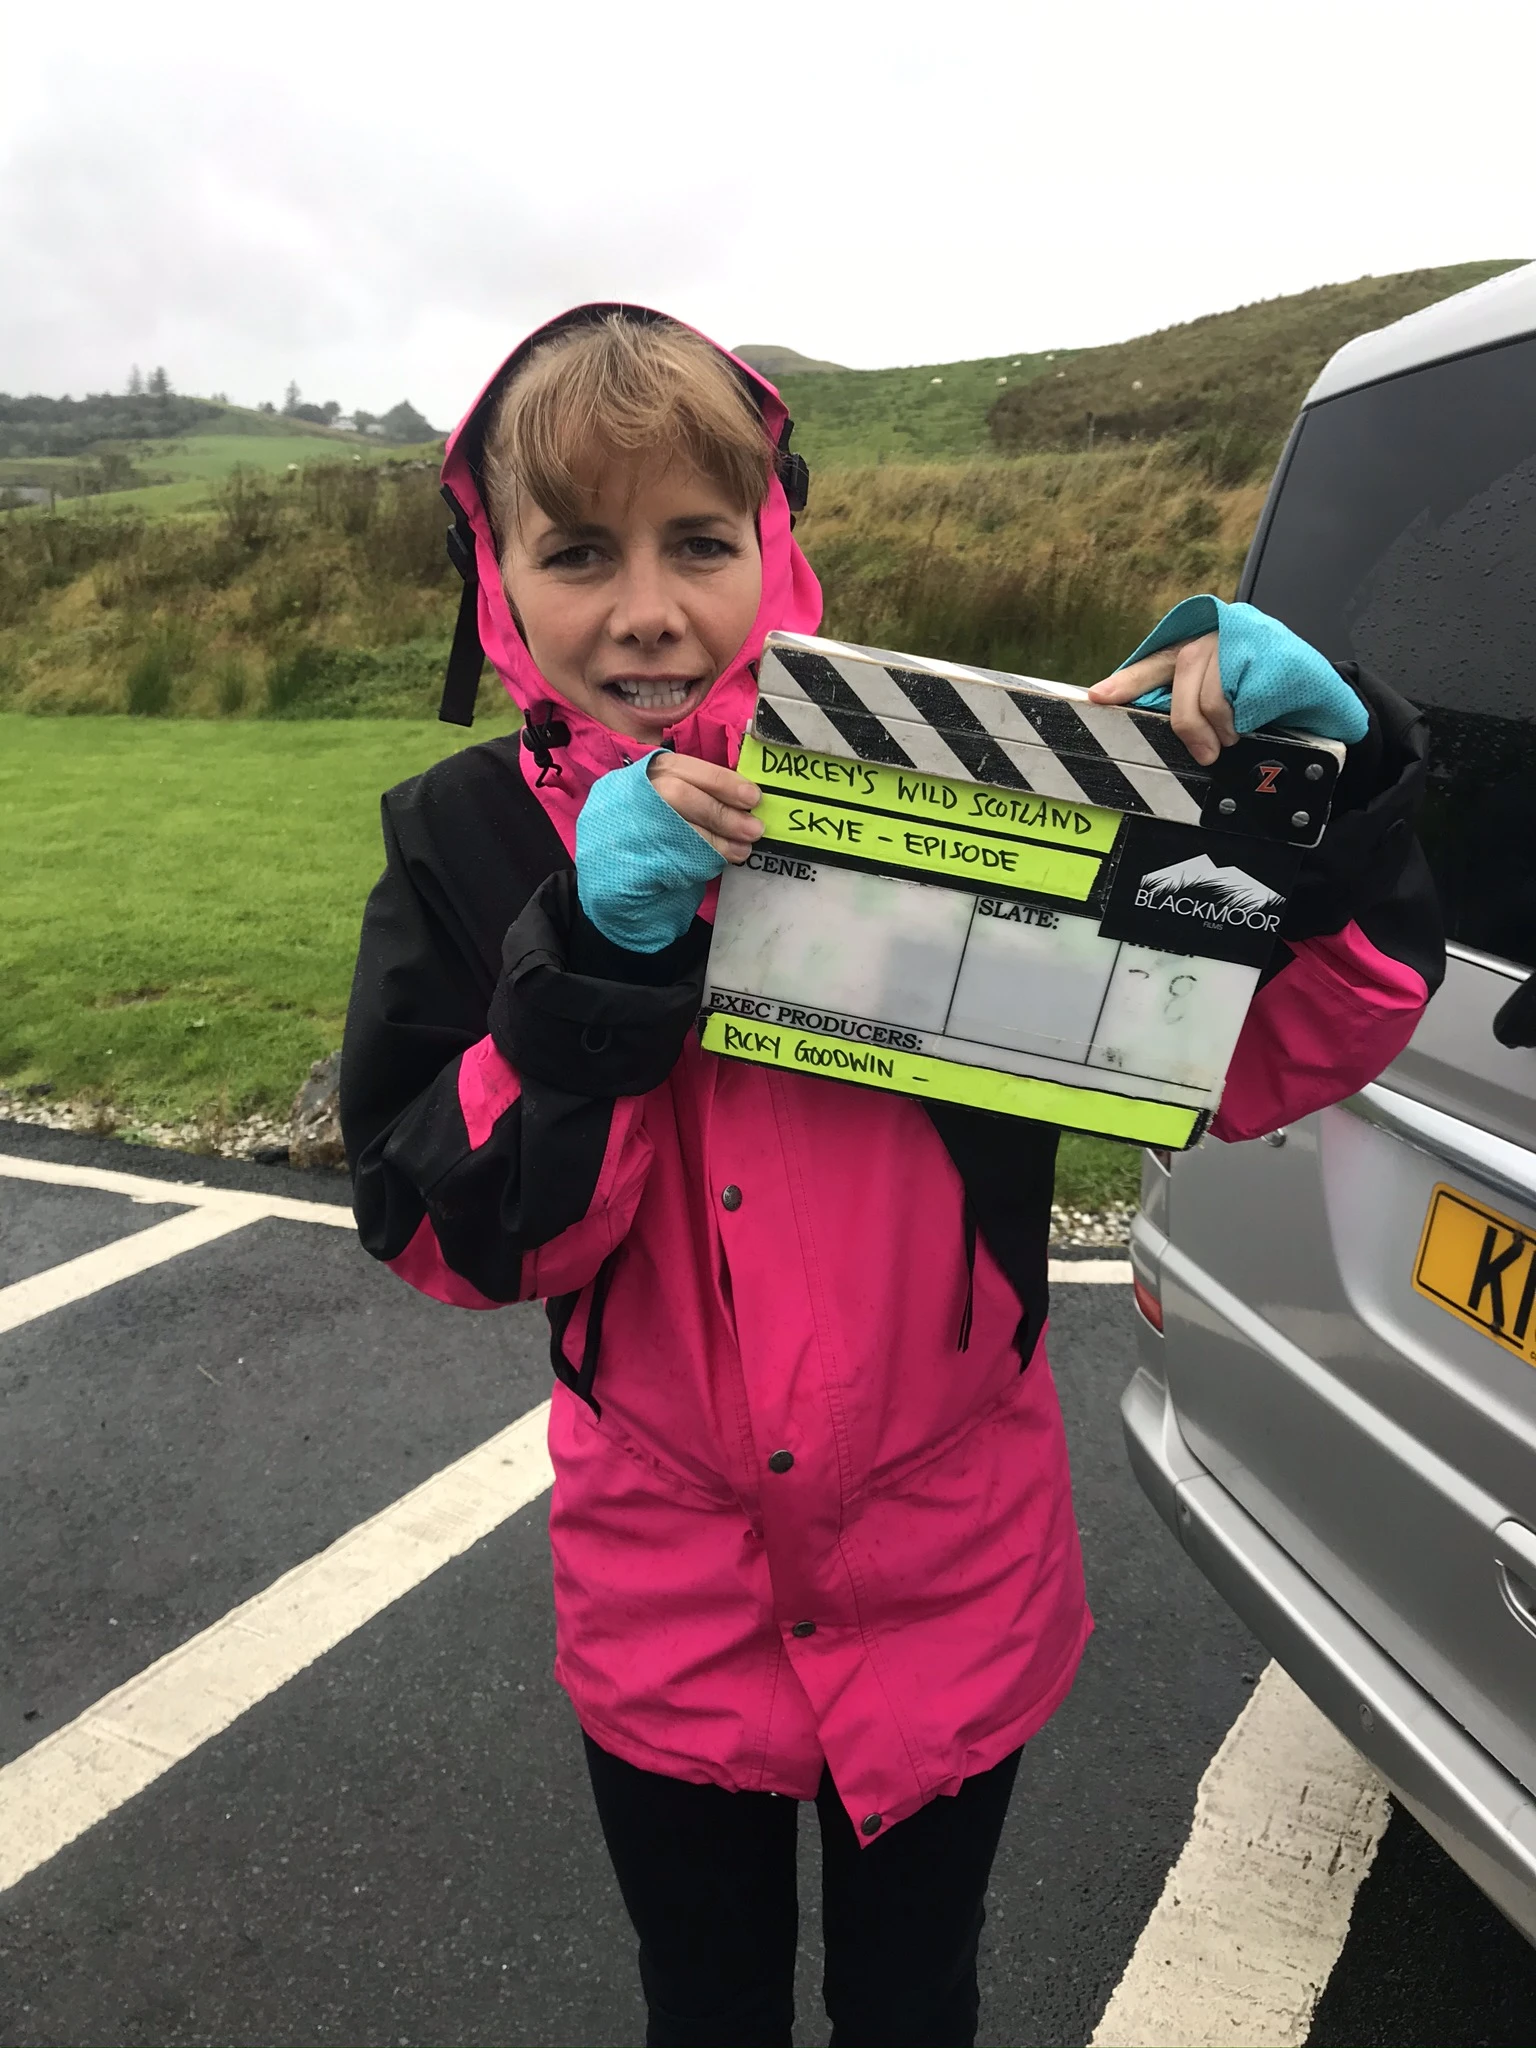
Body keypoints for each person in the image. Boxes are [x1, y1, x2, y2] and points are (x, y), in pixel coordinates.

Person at [340, 305, 1443, 2048]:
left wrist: (1336, 789)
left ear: (776, 539)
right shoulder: (471, 842)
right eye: (578, 551)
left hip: (953, 1563)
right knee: (703, 2005)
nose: (646, 607)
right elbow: (457, 1236)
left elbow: (1274, 1051)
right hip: (666, 1587)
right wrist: (592, 966)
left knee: (917, 2002)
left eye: (700, 540)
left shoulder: (946, 770)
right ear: (497, 574)